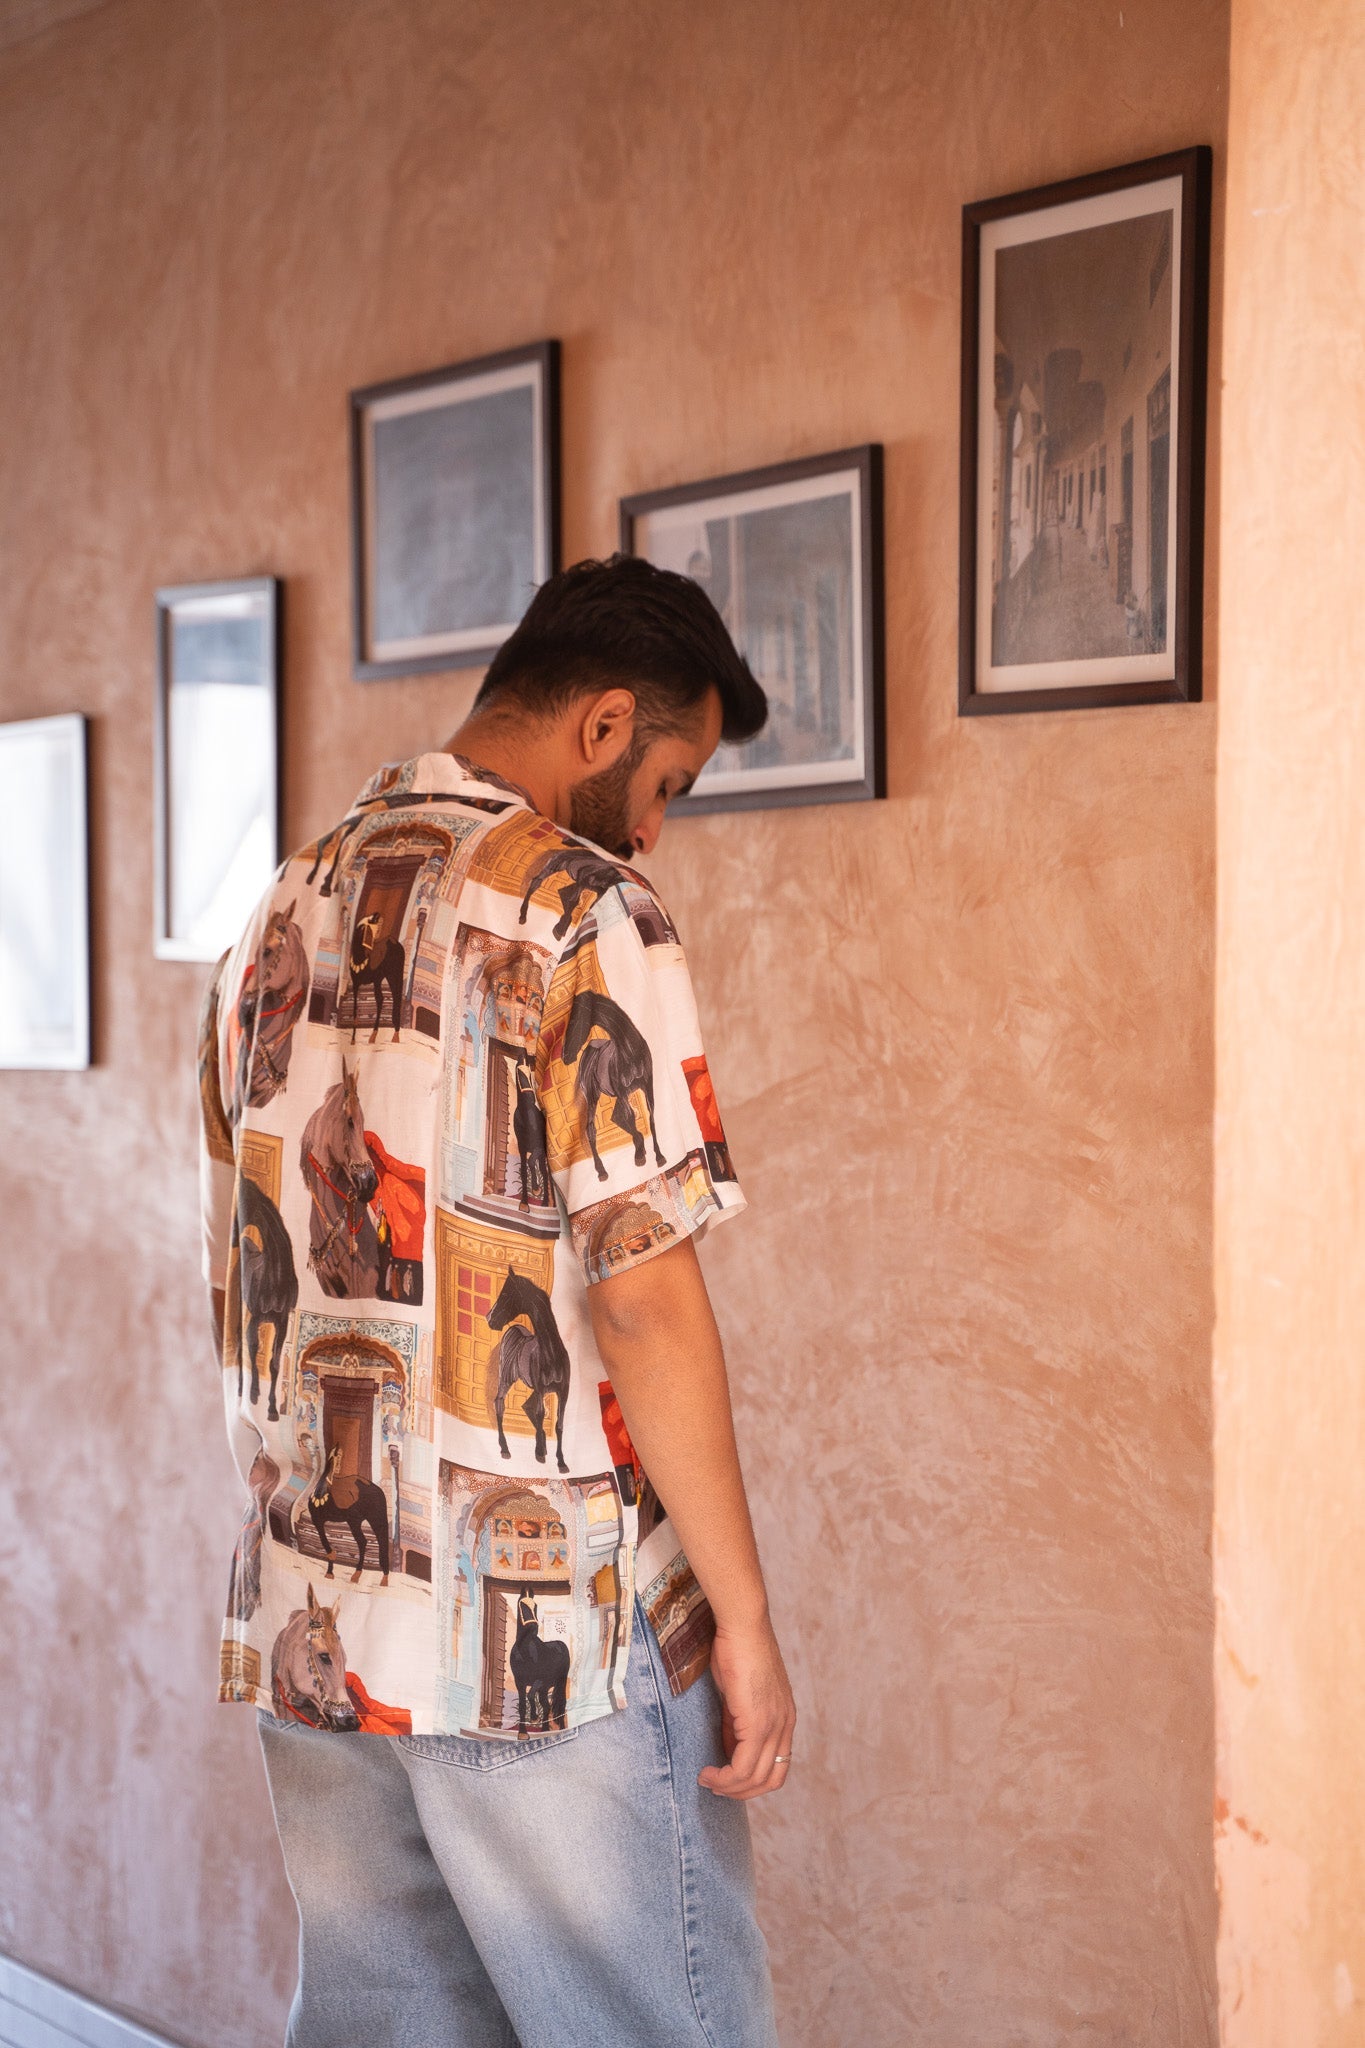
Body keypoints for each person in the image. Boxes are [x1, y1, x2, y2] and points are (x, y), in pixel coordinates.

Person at [196, 553, 796, 2047]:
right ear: (599, 725)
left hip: (317, 1615)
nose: (657, 824)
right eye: (665, 777)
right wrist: (746, 1617)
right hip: (549, 1632)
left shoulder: (275, 911)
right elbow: (643, 1298)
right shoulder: (588, 912)